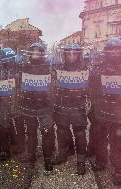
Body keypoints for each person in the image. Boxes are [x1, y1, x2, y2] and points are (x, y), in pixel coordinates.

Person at [16, 43, 55, 171]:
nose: (35, 55)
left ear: (42, 54)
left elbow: (54, 86)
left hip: (45, 106)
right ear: (29, 53)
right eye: (33, 52)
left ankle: (48, 158)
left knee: (47, 132)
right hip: (29, 105)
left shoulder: (48, 68)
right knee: (31, 132)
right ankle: (31, 155)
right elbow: (19, 85)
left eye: (38, 52)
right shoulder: (24, 67)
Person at [53, 43, 89, 175]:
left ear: (79, 54)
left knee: (79, 133)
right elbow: (53, 86)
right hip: (62, 105)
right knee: (62, 131)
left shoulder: (85, 68)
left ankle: (81, 161)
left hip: (78, 106)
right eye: (68, 53)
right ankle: (63, 153)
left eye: (74, 53)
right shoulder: (59, 68)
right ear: (64, 55)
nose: (71, 56)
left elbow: (91, 87)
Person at [91, 38, 121, 186]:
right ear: (106, 51)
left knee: (117, 141)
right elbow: (92, 87)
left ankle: (118, 169)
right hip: (102, 111)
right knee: (100, 138)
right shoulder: (98, 67)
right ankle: (101, 161)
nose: (115, 52)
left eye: (118, 49)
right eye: (112, 49)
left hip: (118, 113)